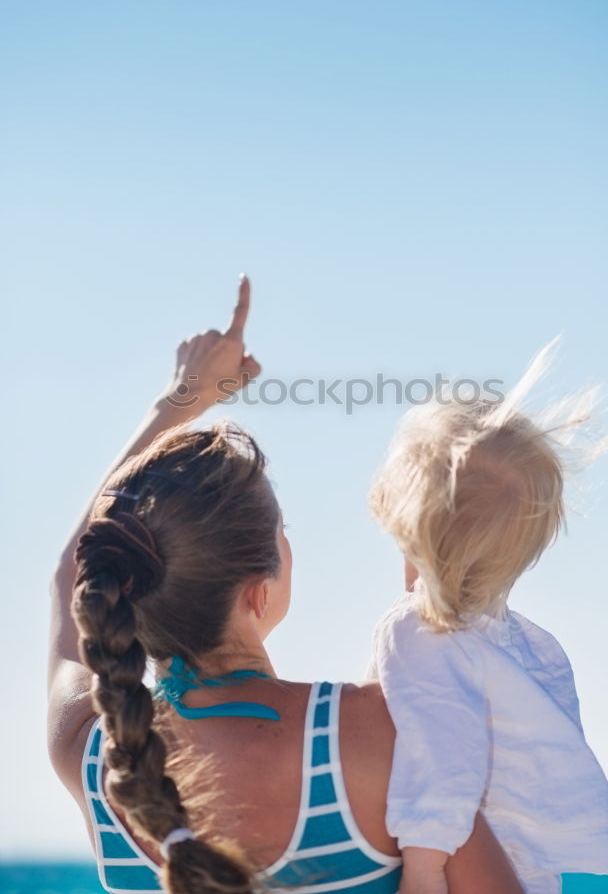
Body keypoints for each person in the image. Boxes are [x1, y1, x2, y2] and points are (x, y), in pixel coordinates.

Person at [48, 274, 526, 894]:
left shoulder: (93, 757)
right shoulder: (382, 731)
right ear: (257, 591)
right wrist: (431, 574)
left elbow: (70, 572)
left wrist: (184, 397)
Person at [365, 338, 608, 894]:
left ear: (405, 524)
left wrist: (421, 872)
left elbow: (442, 764)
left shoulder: (418, 630)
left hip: (451, 868)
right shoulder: (531, 648)